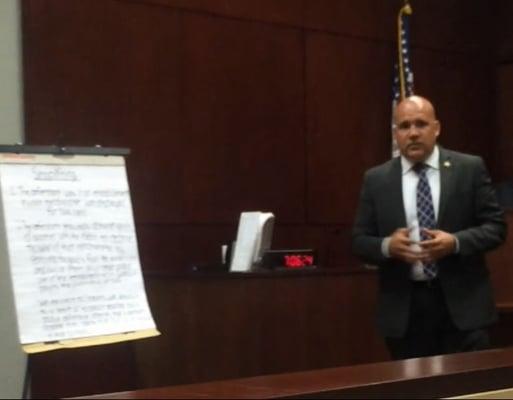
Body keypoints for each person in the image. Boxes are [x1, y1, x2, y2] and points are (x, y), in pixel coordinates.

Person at [352, 95, 507, 360]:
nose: (412, 133)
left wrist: (455, 242)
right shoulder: (376, 179)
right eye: (404, 126)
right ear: (395, 133)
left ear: (436, 128)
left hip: (463, 309)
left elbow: (496, 228)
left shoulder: (468, 168)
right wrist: (387, 247)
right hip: (406, 312)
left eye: (421, 124)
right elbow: (358, 240)